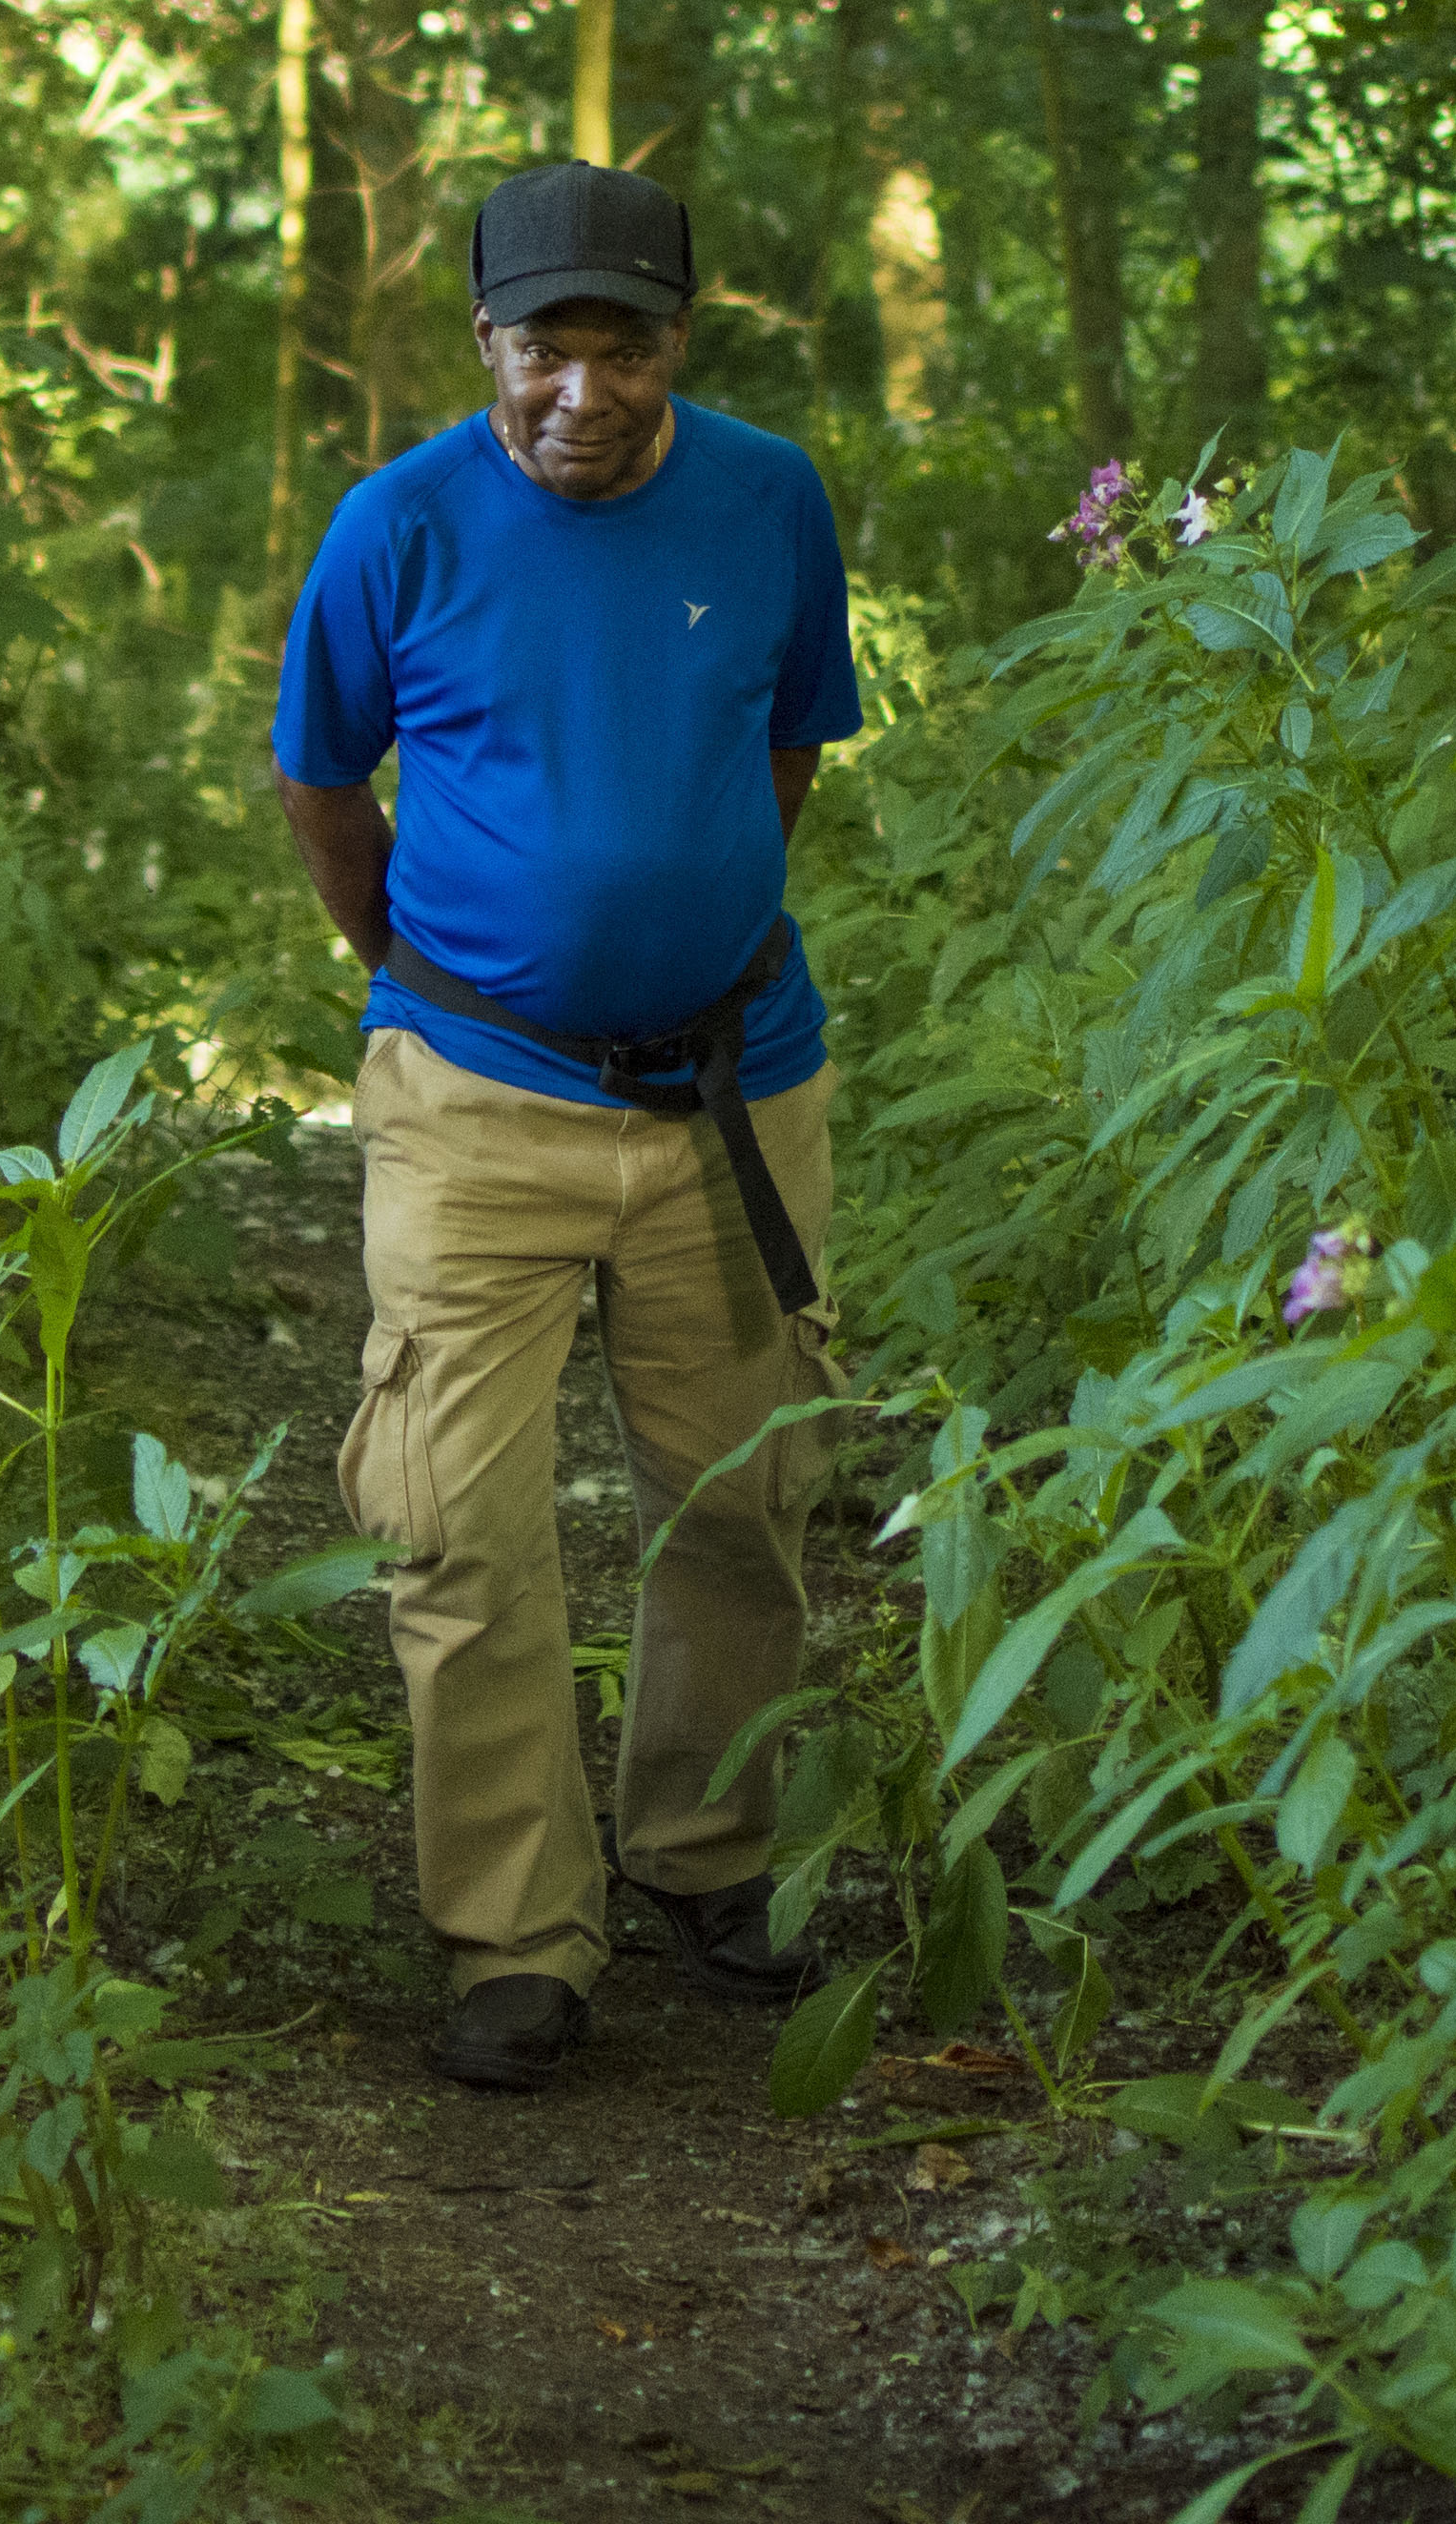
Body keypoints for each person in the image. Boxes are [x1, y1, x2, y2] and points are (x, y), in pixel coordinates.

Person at [272, 160, 859, 2092]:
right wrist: (452, 977)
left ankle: (707, 1847)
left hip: (733, 1086)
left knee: (745, 1489)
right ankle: (517, 1933)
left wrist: (674, 921)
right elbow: (323, 785)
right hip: (474, 1101)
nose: (581, 393)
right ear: (485, 341)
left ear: (682, 340)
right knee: (451, 1518)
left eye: (627, 350)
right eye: (544, 350)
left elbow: (784, 743)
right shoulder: (396, 524)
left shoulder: (770, 498)